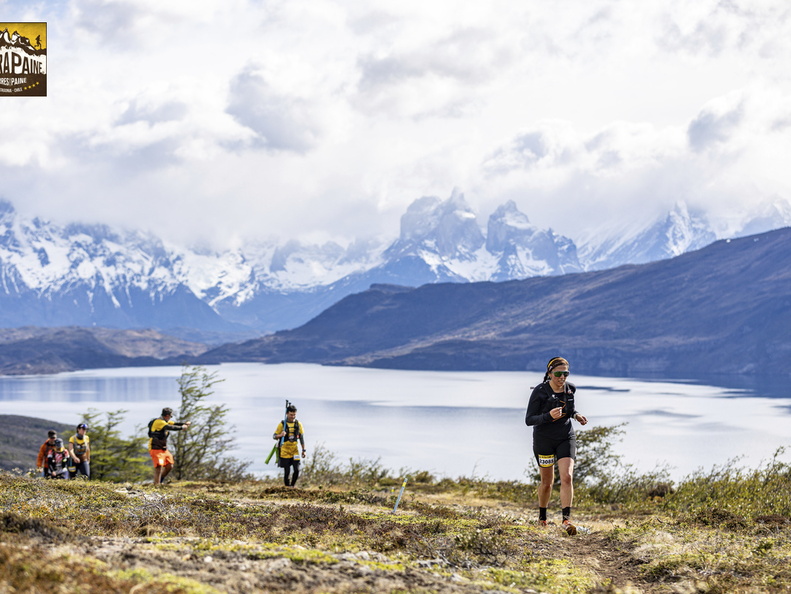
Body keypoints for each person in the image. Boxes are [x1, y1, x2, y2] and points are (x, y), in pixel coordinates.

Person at [525, 356, 588, 535]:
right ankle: (542, 518)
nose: (562, 377)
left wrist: (576, 416)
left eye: (565, 373)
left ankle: (566, 520)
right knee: (547, 483)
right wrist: (547, 416)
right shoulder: (539, 391)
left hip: (565, 437)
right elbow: (529, 420)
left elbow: (569, 410)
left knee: (567, 477)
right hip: (544, 440)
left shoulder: (570, 389)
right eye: (558, 374)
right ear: (550, 373)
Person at [148, 407, 191, 485]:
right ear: (167, 415)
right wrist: (182, 428)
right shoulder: (159, 422)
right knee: (159, 467)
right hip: (155, 448)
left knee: (169, 465)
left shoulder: (165, 421)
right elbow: (170, 427)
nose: (171, 418)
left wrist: (184, 423)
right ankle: (156, 485)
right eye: (171, 416)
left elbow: (174, 424)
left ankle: (160, 480)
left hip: (163, 449)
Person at [273, 404, 306, 487]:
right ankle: (287, 487)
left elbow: (301, 438)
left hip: (295, 450)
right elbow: (274, 436)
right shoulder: (282, 424)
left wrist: (303, 450)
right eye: (291, 414)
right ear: (287, 414)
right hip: (284, 450)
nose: (293, 416)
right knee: (287, 471)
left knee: (297, 470)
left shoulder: (298, 424)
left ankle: (292, 486)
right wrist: (280, 435)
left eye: (294, 414)